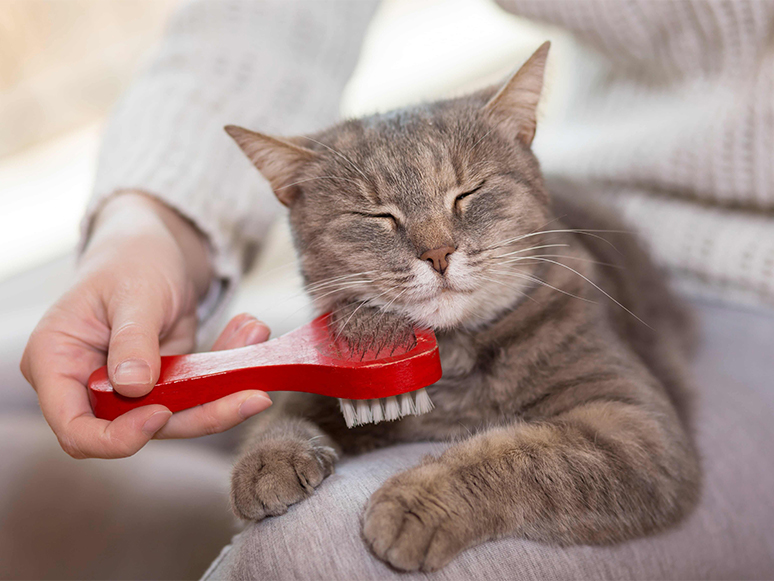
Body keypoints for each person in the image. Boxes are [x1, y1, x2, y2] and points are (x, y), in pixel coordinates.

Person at [19, 1, 774, 578]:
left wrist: (466, 490)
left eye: (464, 200)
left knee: (323, 545)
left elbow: (646, 462)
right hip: (590, 169)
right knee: (25, 375)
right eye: (381, 221)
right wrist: (148, 225)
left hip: (747, 283)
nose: (437, 249)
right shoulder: (375, 289)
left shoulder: (565, 292)